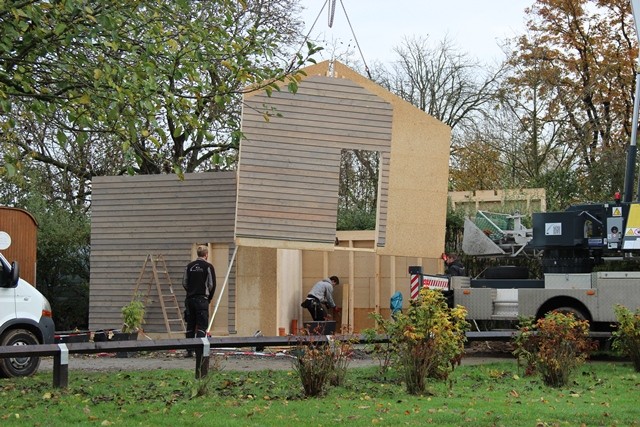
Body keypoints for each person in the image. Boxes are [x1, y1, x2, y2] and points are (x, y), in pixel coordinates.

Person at [182, 245, 216, 357]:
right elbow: (211, 285)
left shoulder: (189, 266)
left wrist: (191, 291)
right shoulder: (208, 267)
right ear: (206, 254)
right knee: (202, 325)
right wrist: (209, 297)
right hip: (202, 299)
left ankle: (189, 350)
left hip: (190, 299)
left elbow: (184, 282)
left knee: (190, 324)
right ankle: (199, 350)